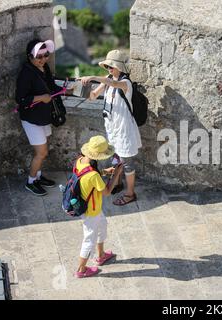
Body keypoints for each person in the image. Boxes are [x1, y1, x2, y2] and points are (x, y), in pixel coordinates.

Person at [79, 50, 141, 206]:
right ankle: (118, 183)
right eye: (107, 66)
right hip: (113, 128)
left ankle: (130, 193)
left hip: (124, 129)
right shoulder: (107, 79)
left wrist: (92, 77)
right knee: (115, 157)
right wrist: (85, 87)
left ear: (119, 67)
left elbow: (114, 84)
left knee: (127, 162)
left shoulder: (125, 83)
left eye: (111, 67)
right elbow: (93, 96)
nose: (109, 69)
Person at [15, 39, 73, 196]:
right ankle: (31, 181)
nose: (42, 59)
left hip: (42, 117)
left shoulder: (43, 68)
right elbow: (20, 99)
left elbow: (51, 86)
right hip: (31, 119)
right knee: (41, 153)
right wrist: (41, 98)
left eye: (45, 55)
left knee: (44, 150)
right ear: (30, 57)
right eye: (38, 56)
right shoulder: (26, 74)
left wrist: (64, 90)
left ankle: (38, 177)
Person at [75, 135, 123, 278]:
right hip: (91, 210)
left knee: (103, 225)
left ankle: (101, 255)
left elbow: (88, 175)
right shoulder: (94, 176)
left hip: (90, 206)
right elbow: (107, 192)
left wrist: (104, 172)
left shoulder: (80, 161)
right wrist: (116, 174)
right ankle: (81, 270)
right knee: (89, 239)